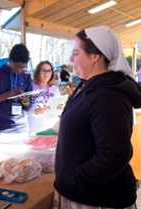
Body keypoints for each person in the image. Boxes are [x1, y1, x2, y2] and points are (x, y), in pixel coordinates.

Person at [52, 26, 141, 208]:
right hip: (85, 195)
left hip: (96, 200)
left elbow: (114, 154)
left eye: (76, 53)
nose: (70, 58)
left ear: (96, 56)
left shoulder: (108, 96)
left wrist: (74, 179)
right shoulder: (88, 86)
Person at [0, 43, 32, 133]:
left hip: (22, 126)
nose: (19, 70)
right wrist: (9, 94)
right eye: (17, 66)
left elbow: (28, 107)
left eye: (23, 67)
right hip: (2, 127)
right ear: (10, 60)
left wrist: (25, 101)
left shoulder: (26, 77)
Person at [27, 61, 61, 134]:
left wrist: (61, 108)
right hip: (34, 130)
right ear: (38, 72)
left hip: (51, 130)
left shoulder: (55, 89)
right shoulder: (29, 87)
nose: (46, 73)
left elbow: (60, 111)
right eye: (43, 70)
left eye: (49, 71)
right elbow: (23, 111)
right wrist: (36, 111)